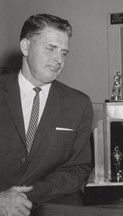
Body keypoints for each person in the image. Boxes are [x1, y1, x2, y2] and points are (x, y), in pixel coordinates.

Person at [0, 14, 93, 215]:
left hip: (49, 205)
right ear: (25, 47)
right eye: (51, 48)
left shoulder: (78, 104)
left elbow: (77, 168)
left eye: (64, 53)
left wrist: (25, 197)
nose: (59, 60)